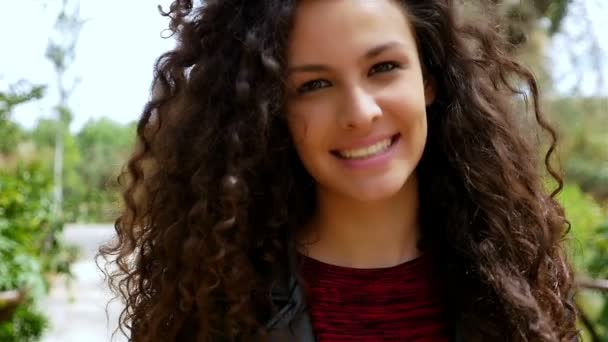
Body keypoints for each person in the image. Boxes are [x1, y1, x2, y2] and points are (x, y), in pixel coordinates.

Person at [99, 0, 580, 340]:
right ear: (273, 110)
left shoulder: (518, 287)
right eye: (314, 85)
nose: (359, 112)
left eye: (383, 68)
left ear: (429, 79)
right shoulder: (212, 306)